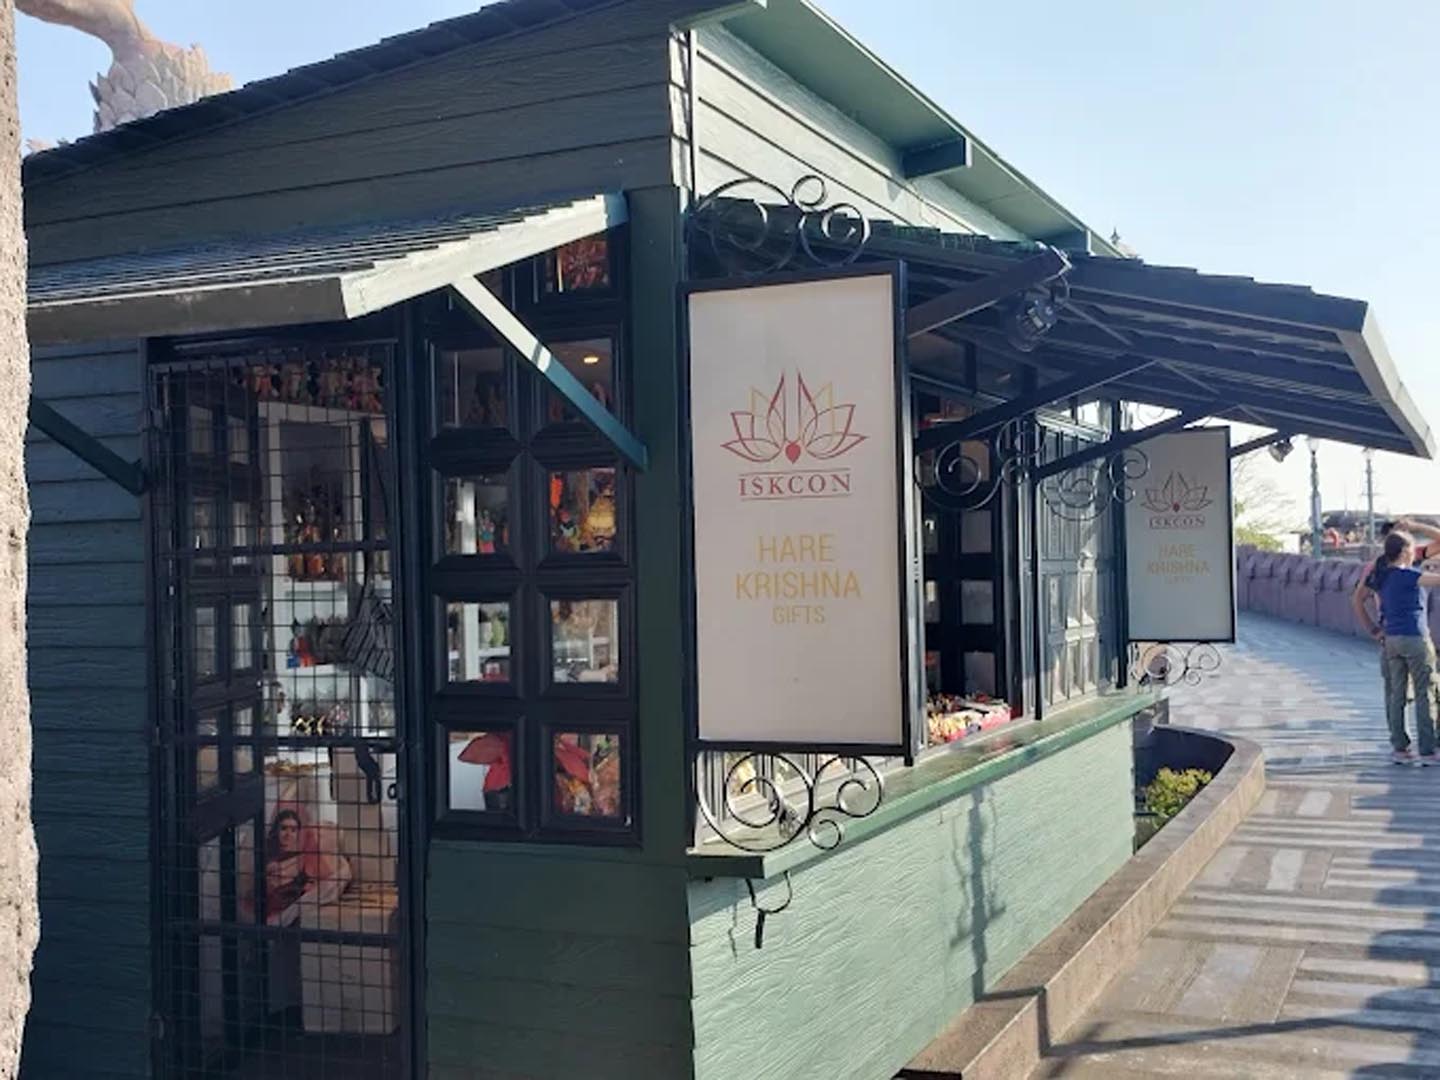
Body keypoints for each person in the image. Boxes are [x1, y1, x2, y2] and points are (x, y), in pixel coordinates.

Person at [1353, 518, 1440, 762]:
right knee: (1425, 692)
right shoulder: (1409, 574)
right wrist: (1416, 526)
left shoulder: (1379, 573)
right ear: (1403, 550)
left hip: (1390, 638)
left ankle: (1400, 748)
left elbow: (1359, 598)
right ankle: (1428, 748)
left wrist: (1374, 630)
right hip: (1414, 637)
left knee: (1396, 694)